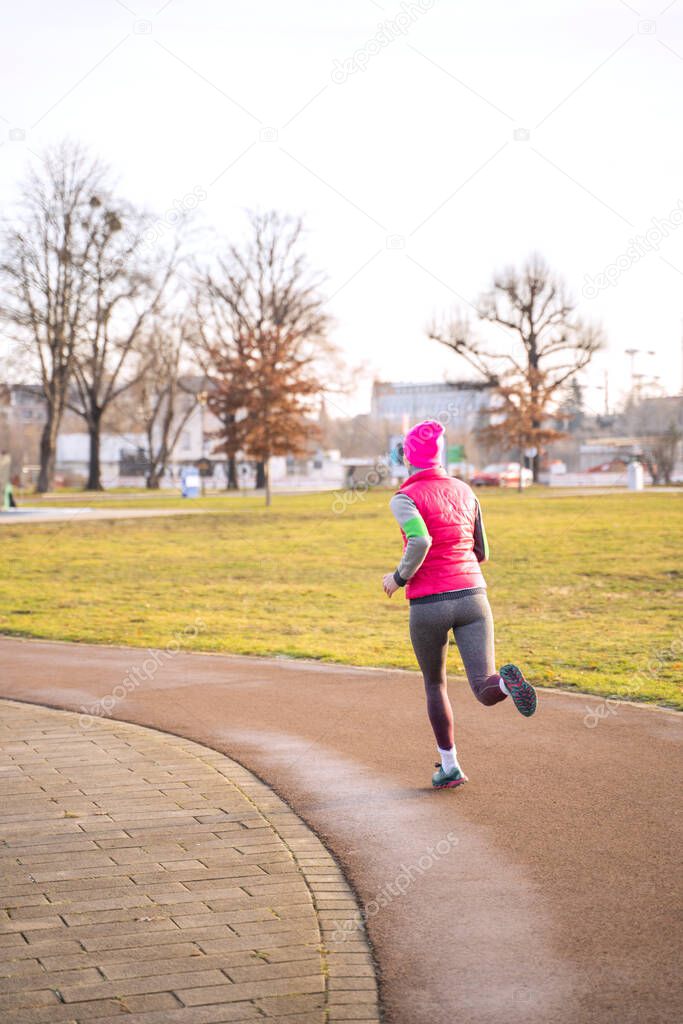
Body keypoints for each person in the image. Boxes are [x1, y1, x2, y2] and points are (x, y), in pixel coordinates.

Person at [382, 419, 537, 790]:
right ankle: (505, 684)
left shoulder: (404, 497)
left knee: (436, 685)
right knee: (483, 687)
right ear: (438, 456)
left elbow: (419, 541)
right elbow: (482, 550)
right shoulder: (467, 491)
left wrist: (398, 577)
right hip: (473, 597)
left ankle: (450, 766)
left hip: (429, 602)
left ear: (407, 458)